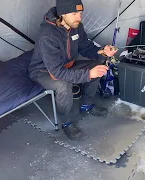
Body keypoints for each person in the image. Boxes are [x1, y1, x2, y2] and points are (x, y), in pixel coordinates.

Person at [28, 0, 117, 140]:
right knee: (63, 84)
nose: (79, 18)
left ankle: (86, 105)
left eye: (80, 13)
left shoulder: (76, 26)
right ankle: (67, 122)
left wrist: (103, 51)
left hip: (66, 65)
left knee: (96, 66)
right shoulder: (48, 35)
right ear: (62, 13)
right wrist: (87, 74)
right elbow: (57, 73)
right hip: (43, 72)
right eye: (74, 13)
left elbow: (86, 47)